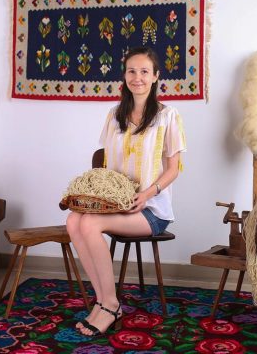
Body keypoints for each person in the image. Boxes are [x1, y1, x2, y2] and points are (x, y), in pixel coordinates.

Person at [66, 46, 186, 337]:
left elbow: (174, 169)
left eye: (145, 71)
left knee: (89, 224)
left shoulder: (168, 116)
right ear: (125, 75)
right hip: (117, 205)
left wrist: (146, 194)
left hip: (151, 210)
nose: (138, 77)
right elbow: (107, 165)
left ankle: (110, 305)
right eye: (132, 71)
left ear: (155, 76)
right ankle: (102, 300)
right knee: (73, 221)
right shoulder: (113, 115)